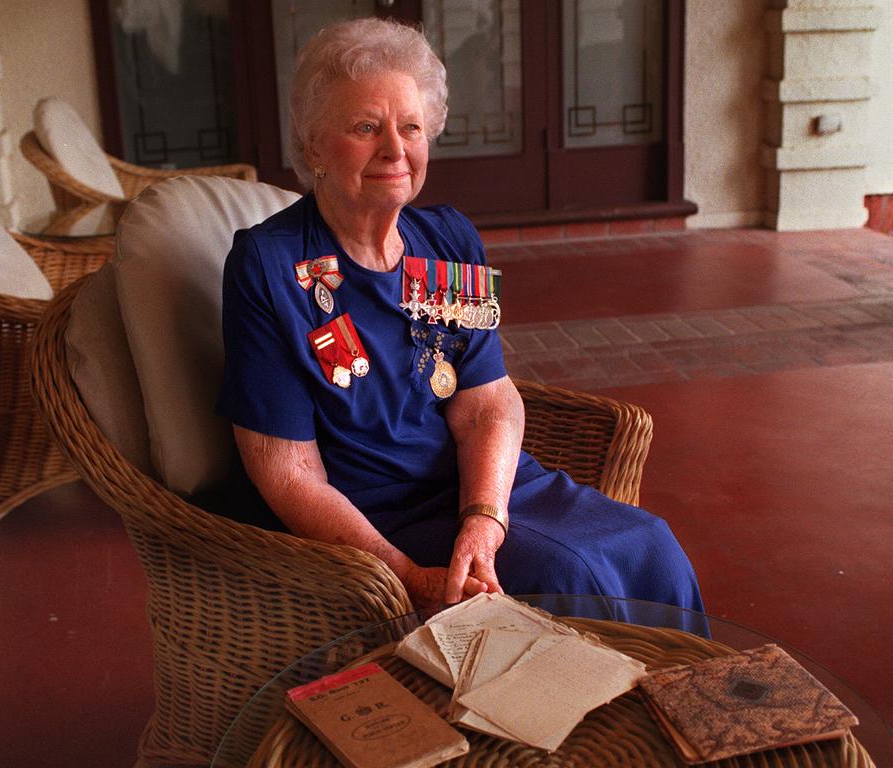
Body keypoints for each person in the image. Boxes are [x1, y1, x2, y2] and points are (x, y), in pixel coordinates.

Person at [216, 17, 703, 614]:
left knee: (652, 544)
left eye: (412, 127)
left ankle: (676, 704)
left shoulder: (448, 239)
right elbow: (288, 476)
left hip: (484, 486)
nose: (396, 149)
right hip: (376, 515)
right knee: (570, 576)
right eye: (366, 127)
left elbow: (487, 402)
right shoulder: (267, 265)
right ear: (313, 144)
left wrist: (484, 519)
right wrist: (405, 576)